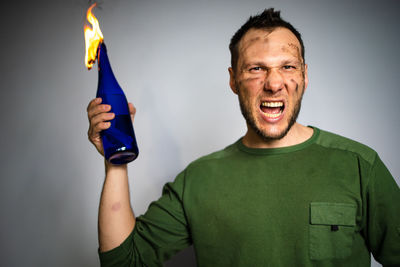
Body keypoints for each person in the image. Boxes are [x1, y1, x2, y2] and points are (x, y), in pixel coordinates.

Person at [87, 8, 400, 267]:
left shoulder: (360, 166)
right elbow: (124, 262)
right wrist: (116, 159)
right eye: (256, 69)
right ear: (234, 79)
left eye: (287, 66)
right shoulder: (198, 180)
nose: (274, 83)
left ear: (304, 76)